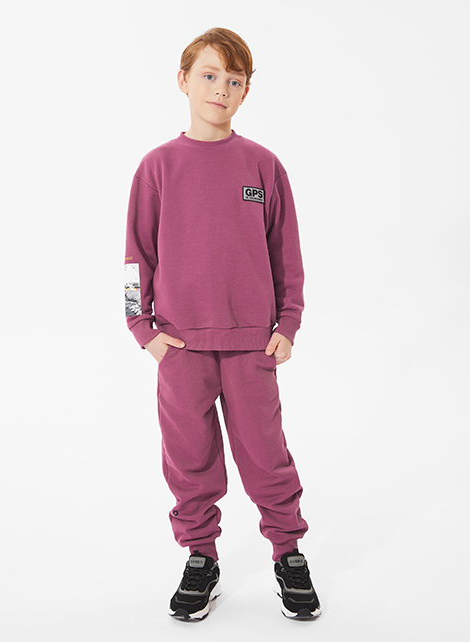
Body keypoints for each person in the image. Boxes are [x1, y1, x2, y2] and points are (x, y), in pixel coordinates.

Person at [124, 26, 320, 621]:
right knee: (189, 457)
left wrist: (288, 322)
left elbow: (286, 253)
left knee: (266, 453)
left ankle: (287, 552)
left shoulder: (263, 166)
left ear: (246, 92)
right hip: (180, 345)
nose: (221, 89)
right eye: (210, 76)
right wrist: (143, 330)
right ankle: (200, 557)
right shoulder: (157, 168)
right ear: (183, 81)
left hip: (251, 343)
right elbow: (135, 259)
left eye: (235, 81)